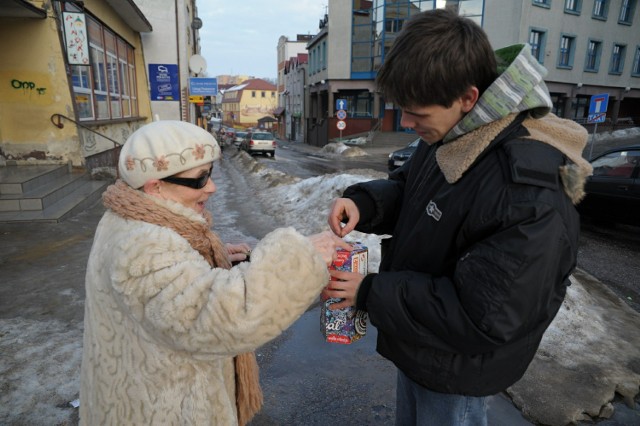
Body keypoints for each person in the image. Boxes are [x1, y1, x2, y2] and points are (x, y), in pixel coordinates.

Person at [323, 8, 592, 426]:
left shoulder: (524, 191)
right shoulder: (456, 132)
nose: (408, 124)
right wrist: (365, 204)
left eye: (419, 115)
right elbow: (411, 188)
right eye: (402, 110)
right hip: (420, 344)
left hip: (457, 369)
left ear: (468, 97)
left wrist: (370, 293)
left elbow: (483, 315)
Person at [79, 120, 349, 425]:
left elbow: (175, 295)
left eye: (211, 173)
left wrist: (223, 264)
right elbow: (221, 316)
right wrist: (302, 257)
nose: (212, 186)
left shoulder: (135, 219)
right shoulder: (144, 243)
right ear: (156, 185)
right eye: (200, 178)